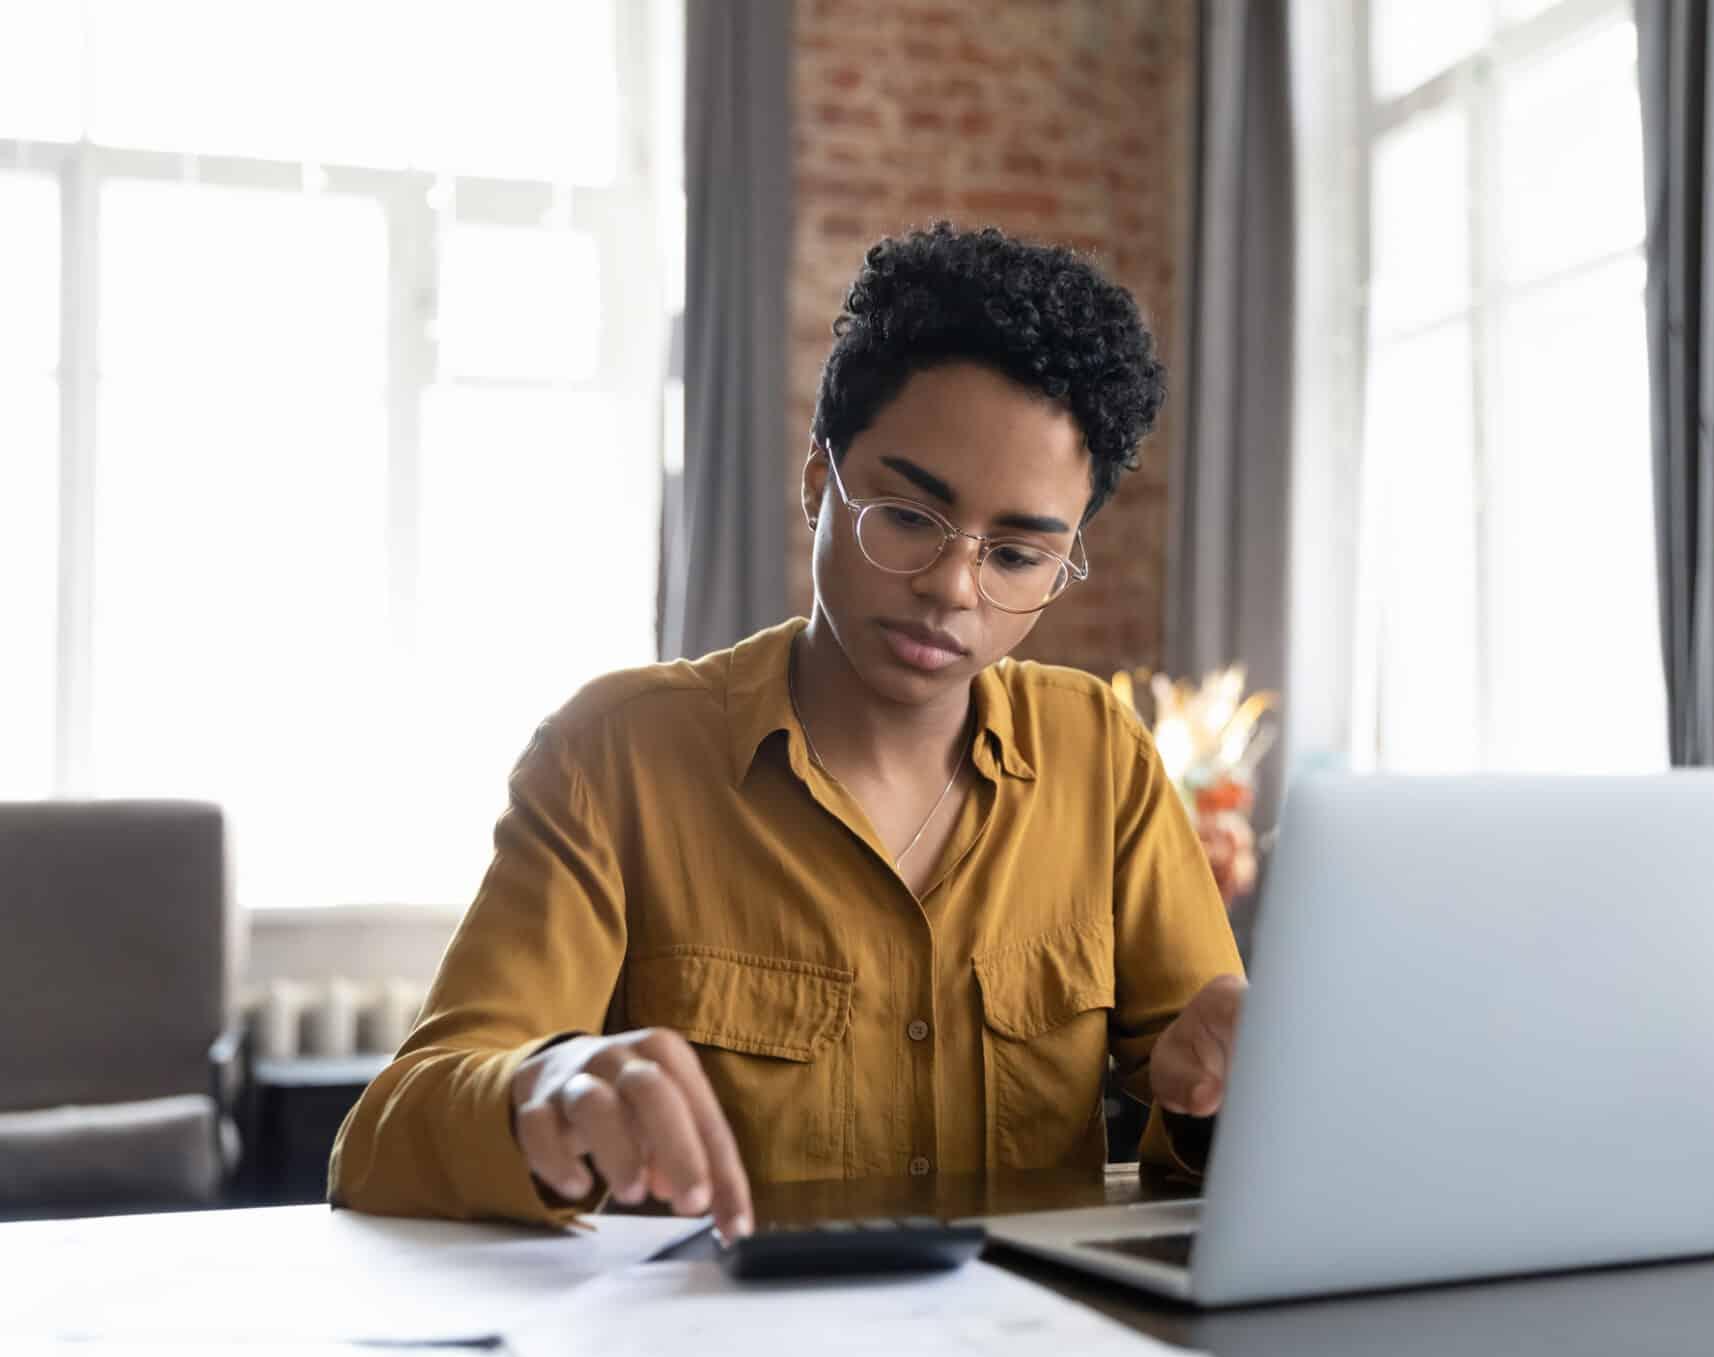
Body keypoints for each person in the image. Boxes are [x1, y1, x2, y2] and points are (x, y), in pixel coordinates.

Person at [328, 223, 1248, 1241]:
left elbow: (1209, 1124)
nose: (952, 587)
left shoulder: (1099, 757)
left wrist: (1227, 1098)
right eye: (905, 516)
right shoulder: (614, 757)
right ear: (818, 479)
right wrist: (542, 1086)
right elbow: (384, 1140)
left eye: (1018, 555)